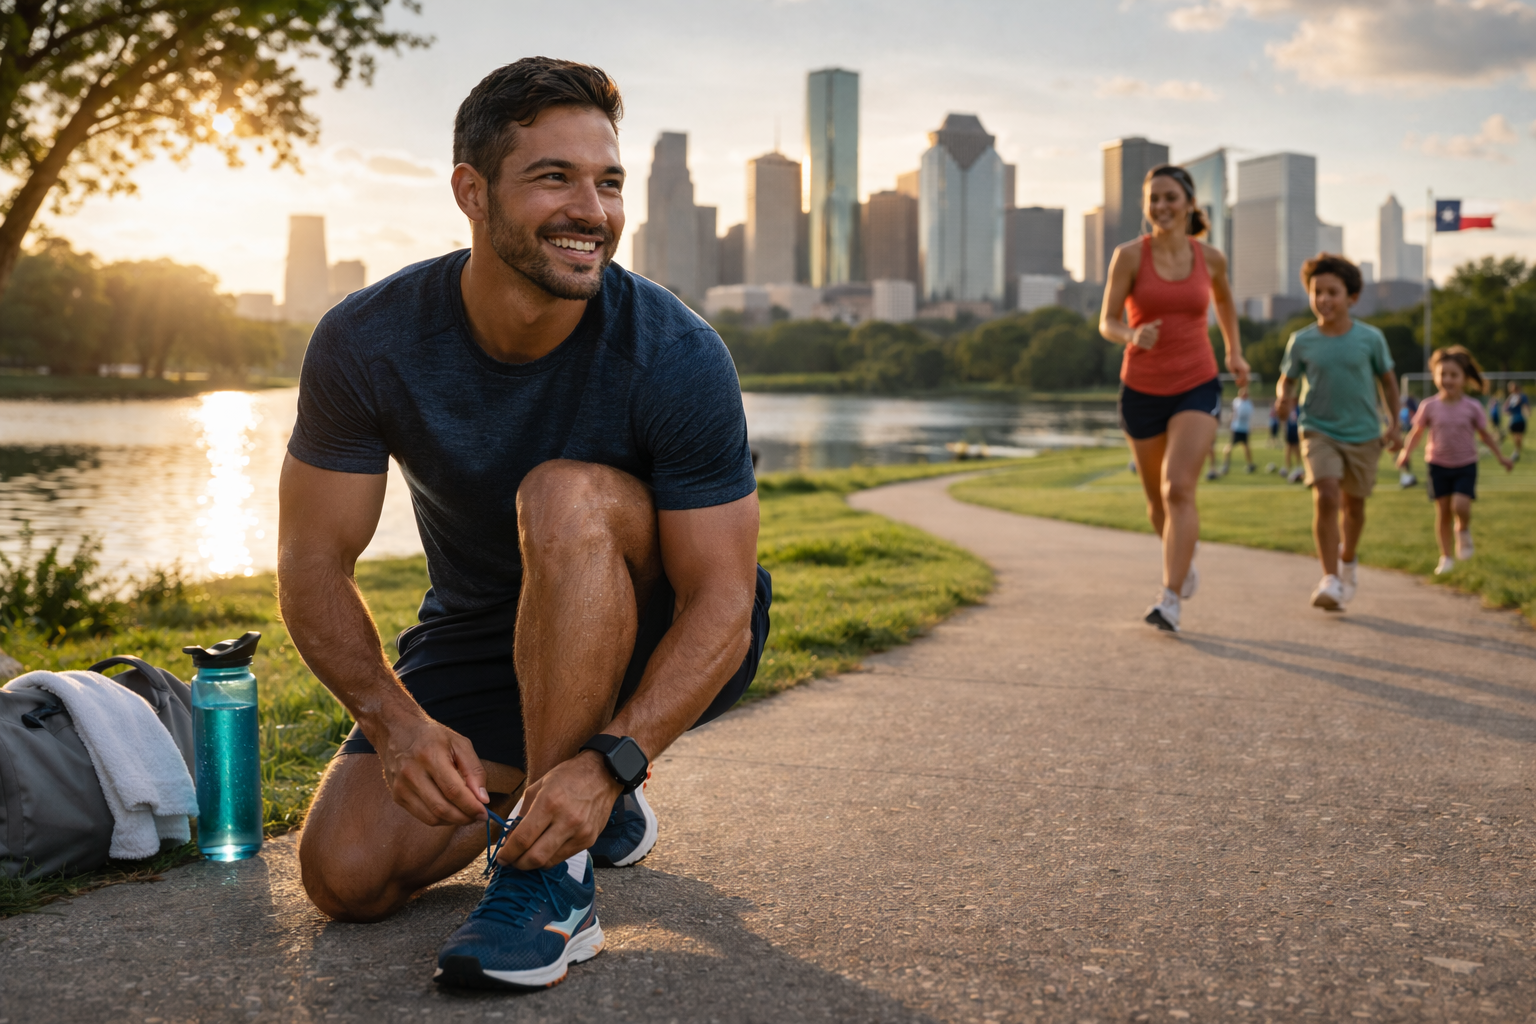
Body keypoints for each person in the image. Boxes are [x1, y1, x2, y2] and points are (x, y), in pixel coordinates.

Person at [278, 59, 771, 992]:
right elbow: (311, 564)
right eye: (555, 177)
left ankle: (553, 878)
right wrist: (393, 722)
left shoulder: (677, 353)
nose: (592, 208)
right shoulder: (368, 341)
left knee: (564, 495)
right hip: (483, 628)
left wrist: (615, 757)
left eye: (609, 181)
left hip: (663, 623)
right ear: (473, 191)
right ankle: (573, 795)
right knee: (345, 877)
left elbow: (722, 600)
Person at [1100, 163, 1249, 633]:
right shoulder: (1128, 256)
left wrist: (1235, 352)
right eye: (1154, 200)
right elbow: (1106, 320)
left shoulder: (1211, 258)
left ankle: (1169, 599)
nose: (1161, 207)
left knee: (1178, 487)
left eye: (1170, 197)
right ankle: (1182, 557)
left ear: (1188, 204)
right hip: (1142, 387)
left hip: (1196, 382)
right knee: (1156, 504)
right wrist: (1130, 334)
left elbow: (1223, 301)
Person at [1275, 253, 1401, 612]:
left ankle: (1348, 559)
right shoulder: (1301, 341)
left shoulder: (1371, 338)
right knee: (1327, 496)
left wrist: (1394, 424)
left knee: (1354, 507)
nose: (1324, 299)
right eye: (1317, 292)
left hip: (1363, 432)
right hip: (1318, 429)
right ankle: (1329, 578)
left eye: (1332, 292)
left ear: (1352, 298)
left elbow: (1388, 382)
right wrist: (1284, 400)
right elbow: (1287, 381)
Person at [1397, 347, 1513, 574]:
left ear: (1464, 378)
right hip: (1437, 464)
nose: (1447, 379)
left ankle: (1464, 529)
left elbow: (1486, 435)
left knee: (1460, 505)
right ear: (1435, 376)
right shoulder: (1428, 406)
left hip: (1466, 464)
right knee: (1443, 512)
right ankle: (1446, 557)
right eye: (1443, 374)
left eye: (1453, 375)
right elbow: (1417, 433)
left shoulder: (1473, 407)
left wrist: (1501, 457)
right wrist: (1405, 453)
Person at [1221, 385, 1256, 474]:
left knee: (1246, 447)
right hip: (1236, 428)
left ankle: (1250, 464)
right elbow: (1234, 413)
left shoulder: (1249, 403)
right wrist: (1229, 422)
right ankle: (1226, 465)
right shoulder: (1237, 402)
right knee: (1230, 447)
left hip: (1245, 429)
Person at [1398, 392, 1420, 488]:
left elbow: (1410, 425)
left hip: (1405, 437)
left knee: (1404, 458)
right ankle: (1406, 477)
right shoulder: (1402, 411)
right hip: (1401, 437)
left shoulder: (1408, 411)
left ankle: (1406, 478)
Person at [1508, 381, 1530, 461]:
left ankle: (1517, 452)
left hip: (1520, 419)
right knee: (1515, 437)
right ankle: (1516, 451)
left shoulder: (1522, 396)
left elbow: (1526, 406)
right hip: (1513, 420)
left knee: (1519, 436)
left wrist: (1527, 411)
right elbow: (1507, 408)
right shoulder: (1511, 397)